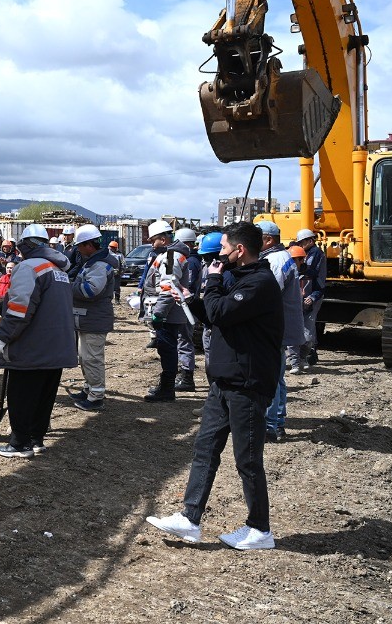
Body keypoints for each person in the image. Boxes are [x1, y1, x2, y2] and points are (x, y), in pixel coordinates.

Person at [146, 221, 283, 550]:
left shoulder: (260, 282)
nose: (218, 256)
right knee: (205, 449)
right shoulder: (240, 278)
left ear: (240, 250)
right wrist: (189, 298)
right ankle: (189, 518)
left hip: (247, 383)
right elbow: (212, 313)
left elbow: (221, 310)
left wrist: (215, 281)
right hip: (223, 380)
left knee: (247, 459)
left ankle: (260, 529)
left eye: (223, 249)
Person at [0, 224, 76, 457]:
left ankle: (20, 444)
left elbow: (19, 311)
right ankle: (36, 439)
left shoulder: (29, 267)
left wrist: (3, 337)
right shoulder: (58, 270)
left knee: (22, 393)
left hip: (32, 347)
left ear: (25, 246)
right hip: (57, 347)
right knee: (44, 395)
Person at [258, 222, 306, 443]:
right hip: (283, 325)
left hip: (275, 327)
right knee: (278, 377)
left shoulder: (274, 261)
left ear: (268, 240)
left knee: (272, 378)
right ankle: (277, 422)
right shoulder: (284, 257)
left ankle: (272, 425)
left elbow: (268, 294)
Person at [67, 224, 117, 412]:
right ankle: (89, 388)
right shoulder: (92, 263)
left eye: (79, 246)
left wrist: (68, 286)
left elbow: (90, 291)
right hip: (87, 319)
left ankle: (96, 397)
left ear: (89, 245)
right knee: (84, 357)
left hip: (94, 320)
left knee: (92, 359)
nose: (78, 250)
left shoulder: (99, 265)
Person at [141, 220, 191, 402]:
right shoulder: (170, 255)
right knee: (166, 348)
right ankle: (166, 386)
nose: (151, 242)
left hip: (168, 314)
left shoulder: (171, 257)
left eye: (153, 239)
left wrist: (159, 313)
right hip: (169, 312)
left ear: (162, 239)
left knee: (167, 349)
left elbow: (169, 286)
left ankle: (167, 389)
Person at [288, 228, 326, 372]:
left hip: (312, 294)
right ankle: (297, 362)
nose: (300, 246)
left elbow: (309, 271)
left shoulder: (315, 254)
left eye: (302, 243)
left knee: (306, 334)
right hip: (304, 294)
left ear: (310, 241)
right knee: (297, 331)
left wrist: (312, 296)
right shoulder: (307, 254)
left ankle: (302, 358)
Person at [173, 228, 203, 393]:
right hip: (186, 307)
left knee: (184, 342)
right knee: (181, 341)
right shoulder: (191, 260)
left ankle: (187, 377)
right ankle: (183, 373)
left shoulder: (190, 261)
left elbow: (187, 286)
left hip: (187, 308)